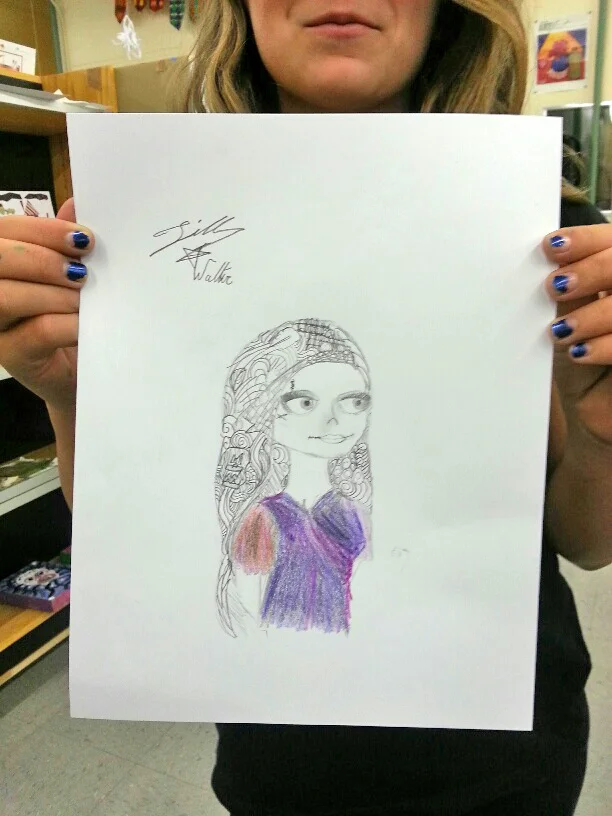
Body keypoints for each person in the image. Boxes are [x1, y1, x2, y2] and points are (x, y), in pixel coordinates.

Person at [0, 1, 611, 814]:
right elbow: (147, 543)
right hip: (276, 760)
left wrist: (602, 433)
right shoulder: (147, 218)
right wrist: (75, 395)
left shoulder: (549, 234)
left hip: (506, 754)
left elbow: (589, 541)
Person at [216, 318, 372, 636]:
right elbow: (249, 620)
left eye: (353, 402)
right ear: (266, 411)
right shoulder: (262, 519)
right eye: (305, 403)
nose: (333, 420)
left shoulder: (353, 515)